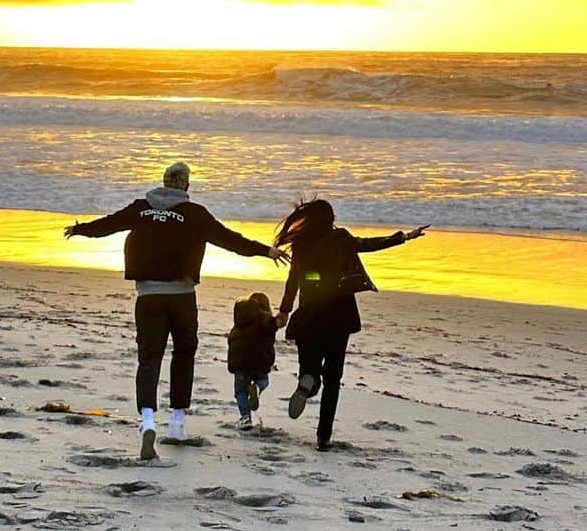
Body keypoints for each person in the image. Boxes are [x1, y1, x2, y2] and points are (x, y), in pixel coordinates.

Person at [65, 162, 286, 460]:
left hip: (148, 297)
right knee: (184, 355)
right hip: (182, 298)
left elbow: (108, 225)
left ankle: (146, 422)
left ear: (163, 182)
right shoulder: (195, 214)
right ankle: (177, 424)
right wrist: (266, 251)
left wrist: (80, 229)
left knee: (149, 358)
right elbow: (231, 240)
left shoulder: (140, 208)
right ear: (186, 186)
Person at [274, 199, 426, 450]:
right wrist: (404, 237)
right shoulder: (341, 239)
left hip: (309, 315)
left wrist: (284, 310)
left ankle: (307, 382)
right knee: (333, 378)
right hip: (339, 315)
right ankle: (323, 438)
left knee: (309, 368)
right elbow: (368, 245)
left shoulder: (301, 244)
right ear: (331, 219)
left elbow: (294, 281)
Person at [227, 291, 283, 432]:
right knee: (263, 381)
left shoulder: (240, 319)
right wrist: (277, 321)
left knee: (240, 391)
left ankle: (245, 418)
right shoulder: (264, 318)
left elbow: (232, 340)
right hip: (259, 361)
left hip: (240, 362)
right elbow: (270, 324)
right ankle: (257, 388)